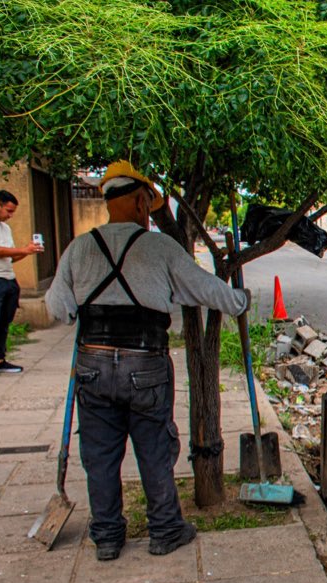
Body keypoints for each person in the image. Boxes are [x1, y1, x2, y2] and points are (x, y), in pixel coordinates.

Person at [45, 161, 249, 561]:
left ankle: (106, 537)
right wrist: (239, 301)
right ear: (141, 201)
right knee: (154, 448)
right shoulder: (158, 247)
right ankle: (165, 530)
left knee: (100, 454)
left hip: (93, 365)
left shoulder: (79, 248)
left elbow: (57, 307)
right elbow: (206, 289)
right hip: (145, 366)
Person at [0, 190, 44, 374]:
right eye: (8, 211)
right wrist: (23, 249)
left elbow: (9, 257)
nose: (10, 216)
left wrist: (27, 251)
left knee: (5, 321)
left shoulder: (5, 228)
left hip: (9, 278)